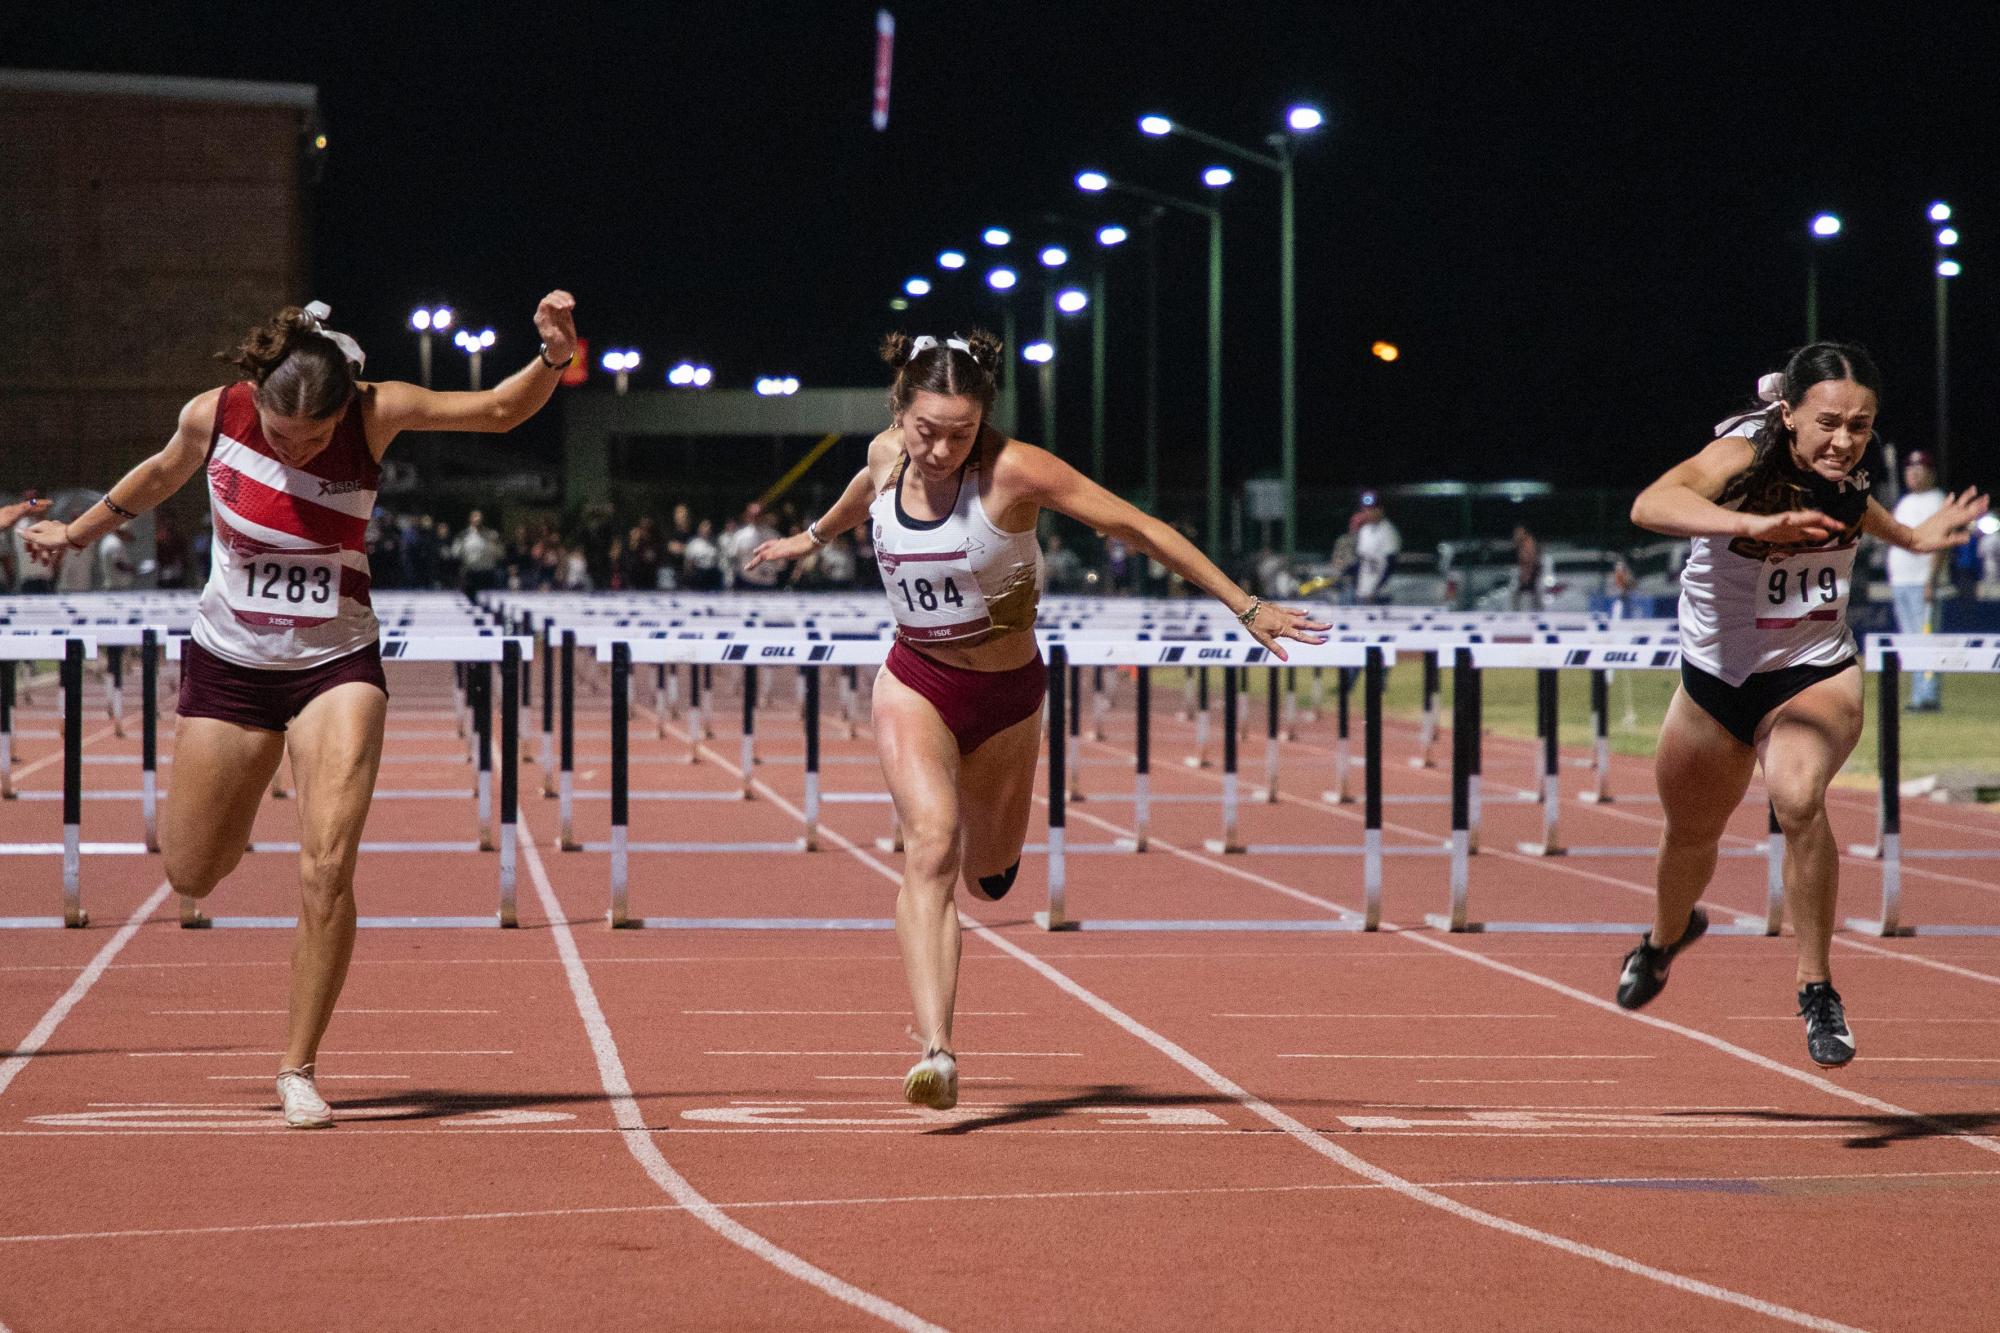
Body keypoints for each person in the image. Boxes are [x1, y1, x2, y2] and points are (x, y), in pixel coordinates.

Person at [20, 292, 580, 1126]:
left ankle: (298, 1066)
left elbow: (498, 411)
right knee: (192, 872)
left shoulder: (376, 410)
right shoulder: (215, 413)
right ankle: (238, 799)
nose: (296, 450)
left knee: (327, 865)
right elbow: (161, 473)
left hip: (335, 663)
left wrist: (554, 357)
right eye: (283, 438)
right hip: (230, 664)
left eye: (313, 441)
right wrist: (78, 531)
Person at [747, 331, 1326, 1110]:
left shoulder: (1016, 470)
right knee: (932, 845)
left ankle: (990, 877)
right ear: (900, 412)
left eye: (961, 431)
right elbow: (862, 489)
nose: (943, 448)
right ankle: (937, 1050)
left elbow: (1138, 528)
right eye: (927, 430)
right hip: (915, 680)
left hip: (1010, 695)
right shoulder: (889, 454)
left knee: (990, 874)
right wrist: (810, 539)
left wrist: (1244, 605)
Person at [1614, 343, 1986, 1066]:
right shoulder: (1742, 452)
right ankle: (1663, 939)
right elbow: (1651, 503)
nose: (1844, 440)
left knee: (1797, 795)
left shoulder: (1846, 468)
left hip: (1813, 668)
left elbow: (1854, 503)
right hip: (1715, 676)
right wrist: (1752, 527)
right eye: (1828, 423)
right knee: (1690, 837)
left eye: (1860, 425)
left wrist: (1909, 534)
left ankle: (1817, 987)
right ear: (1787, 415)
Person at [1888, 449, 1947, 711]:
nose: (1912, 473)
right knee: (1911, 641)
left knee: (1926, 638)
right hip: (1901, 581)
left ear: (1930, 473)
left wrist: (1930, 580)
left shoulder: (1936, 500)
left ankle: (1928, 696)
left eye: (1918, 469)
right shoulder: (1905, 502)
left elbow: (1941, 544)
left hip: (1921, 582)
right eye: (1909, 469)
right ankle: (1918, 695)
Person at [1352, 491, 1400, 605]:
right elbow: (1361, 560)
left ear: (1380, 510)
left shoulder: (1389, 531)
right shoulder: (1365, 530)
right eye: (1365, 510)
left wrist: (1375, 590)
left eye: (1371, 509)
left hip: (1380, 594)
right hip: (1362, 591)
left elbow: (1391, 565)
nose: (1367, 513)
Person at [1509, 524, 1543, 611]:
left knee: (1520, 593)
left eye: (1518, 532)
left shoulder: (1528, 543)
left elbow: (1529, 559)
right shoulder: (1522, 544)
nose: (1516, 535)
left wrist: (1526, 574)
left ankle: (1517, 611)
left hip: (1531, 571)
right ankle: (1539, 610)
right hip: (1530, 571)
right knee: (1533, 593)